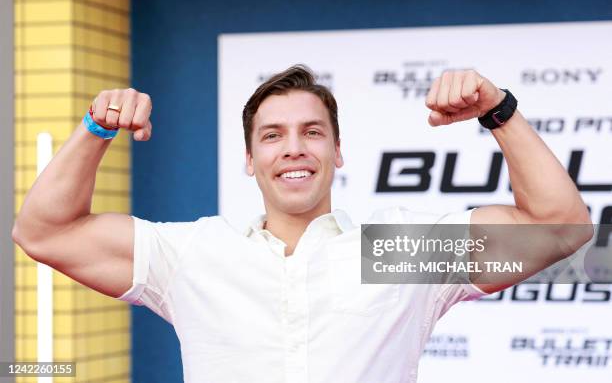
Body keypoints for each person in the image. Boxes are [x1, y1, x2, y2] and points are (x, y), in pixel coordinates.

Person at [12, 65, 592, 383]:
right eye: (273, 135)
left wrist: (498, 111)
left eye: (312, 132)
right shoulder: (194, 255)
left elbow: (560, 227)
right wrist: (95, 129)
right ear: (249, 159)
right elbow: (43, 232)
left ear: (338, 151)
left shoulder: (394, 251)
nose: (294, 149)